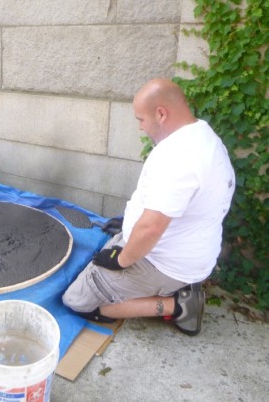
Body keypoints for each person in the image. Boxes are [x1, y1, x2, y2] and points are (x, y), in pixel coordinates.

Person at [62, 78, 235, 336]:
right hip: (185, 250)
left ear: (161, 114)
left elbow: (152, 228)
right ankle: (176, 289)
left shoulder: (180, 156)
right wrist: (129, 224)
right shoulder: (202, 135)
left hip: (162, 263)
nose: (141, 128)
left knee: (76, 301)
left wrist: (121, 260)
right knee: (101, 256)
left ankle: (179, 304)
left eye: (141, 120)